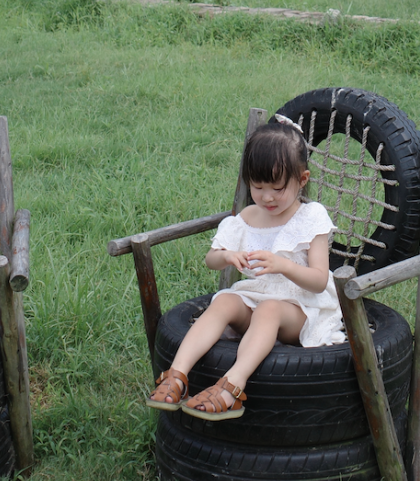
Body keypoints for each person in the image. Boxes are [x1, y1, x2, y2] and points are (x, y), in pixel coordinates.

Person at [146, 114, 344, 419]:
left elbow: (319, 280)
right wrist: (227, 257)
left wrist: (283, 265)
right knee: (225, 299)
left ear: (302, 180)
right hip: (254, 297)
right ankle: (176, 375)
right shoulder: (248, 217)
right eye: (257, 186)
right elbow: (211, 259)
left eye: (277, 188)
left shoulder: (311, 217)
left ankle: (231, 388)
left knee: (269, 309)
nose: (267, 197)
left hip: (299, 307)